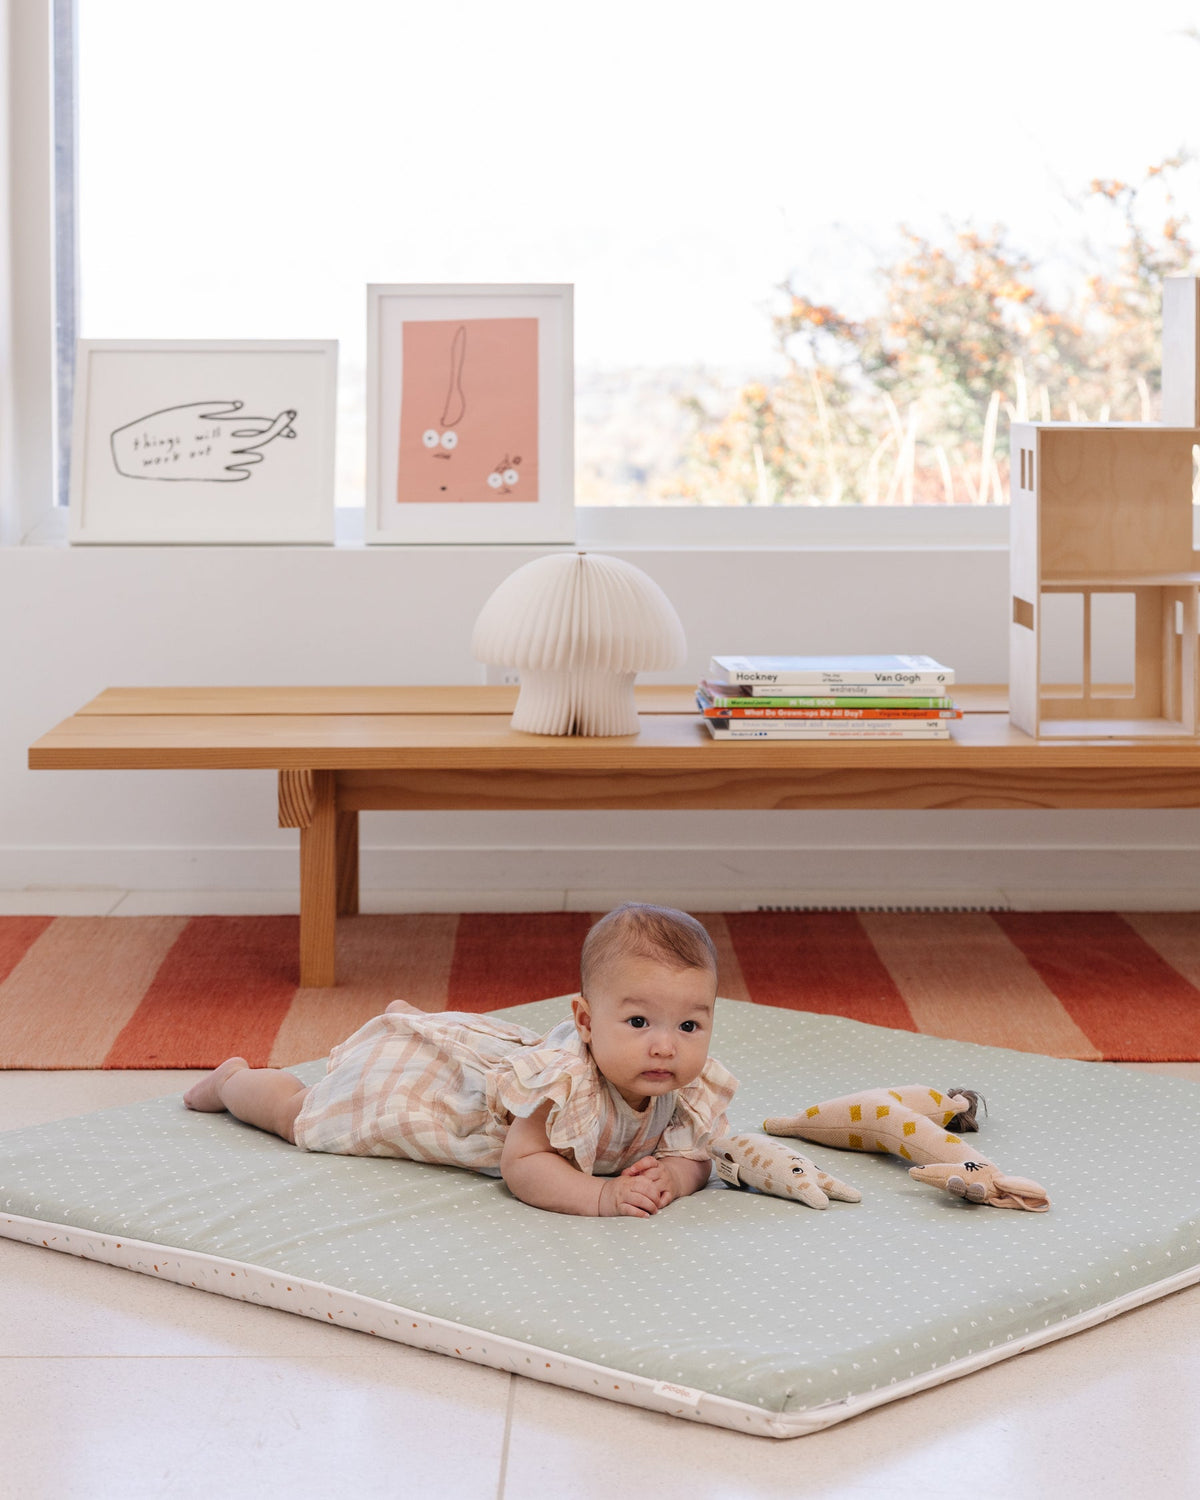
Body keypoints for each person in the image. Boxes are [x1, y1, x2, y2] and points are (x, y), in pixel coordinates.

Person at [183, 903, 737, 1218]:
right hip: (433, 1100)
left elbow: (697, 1154)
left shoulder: (683, 1087)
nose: (666, 1045)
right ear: (586, 1023)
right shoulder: (566, 1084)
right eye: (638, 1023)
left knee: (441, 1042)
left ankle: (418, 1025)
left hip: (479, 1068)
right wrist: (602, 1196)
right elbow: (524, 1165)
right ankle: (235, 1082)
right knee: (304, 1116)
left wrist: (676, 1176)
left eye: (689, 1026)